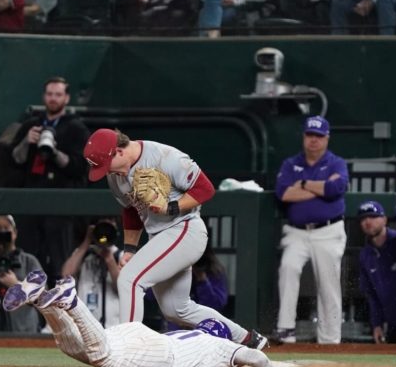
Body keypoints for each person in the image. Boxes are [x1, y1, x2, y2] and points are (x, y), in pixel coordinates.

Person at [82, 127, 268, 350]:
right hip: (160, 237)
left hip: (184, 229)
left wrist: (171, 207)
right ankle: (247, 339)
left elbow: (205, 189)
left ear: (118, 152)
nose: (105, 173)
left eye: (104, 165)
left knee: (129, 280)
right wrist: (130, 248)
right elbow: (131, 210)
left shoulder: (164, 156)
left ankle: (126, 351)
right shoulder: (115, 176)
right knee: (177, 309)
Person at [3, 271, 297, 367]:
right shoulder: (219, 346)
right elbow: (254, 356)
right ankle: (71, 302)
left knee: (78, 348)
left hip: (145, 335)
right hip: (162, 356)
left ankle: (43, 302)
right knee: (99, 355)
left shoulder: (193, 334)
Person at [5, 77, 90, 282]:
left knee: (59, 265)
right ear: (44, 96)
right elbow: (14, 160)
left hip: (60, 206)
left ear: (66, 98)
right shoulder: (31, 125)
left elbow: (80, 167)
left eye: (58, 95)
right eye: (50, 94)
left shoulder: (75, 128)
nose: (53, 99)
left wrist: (54, 152)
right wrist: (27, 141)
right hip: (31, 204)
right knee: (28, 262)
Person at [272, 115, 348, 344]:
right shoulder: (290, 163)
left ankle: (330, 338)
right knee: (288, 268)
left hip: (328, 231)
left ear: (327, 138)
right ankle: (286, 329)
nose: (314, 140)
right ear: (304, 136)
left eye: (319, 136)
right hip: (297, 232)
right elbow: (283, 193)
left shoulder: (336, 163)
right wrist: (321, 189)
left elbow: (337, 187)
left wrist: (303, 184)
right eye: (310, 135)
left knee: (328, 281)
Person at [357, 201, 396, 344]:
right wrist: (376, 324)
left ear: (384, 219)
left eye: (372, 217)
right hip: (392, 324)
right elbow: (371, 294)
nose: (367, 222)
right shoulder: (365, 254)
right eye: (363, 219)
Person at [60, 217, 122, 328]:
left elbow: (122, 288)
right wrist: (87, 241)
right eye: (102, 226)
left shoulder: (120, 256)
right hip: (85, 325)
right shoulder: (84, 254)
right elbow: (66, 275)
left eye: (109, 226)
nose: (104, 232)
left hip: (112, 326)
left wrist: (109, 259)